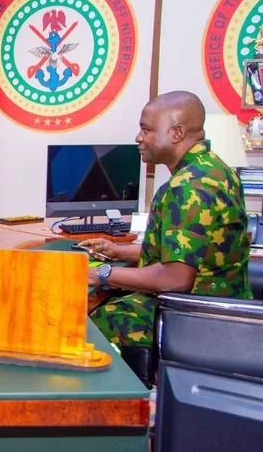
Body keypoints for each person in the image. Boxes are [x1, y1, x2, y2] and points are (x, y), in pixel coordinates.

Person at [80, 91, 252, 350]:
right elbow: (193, 250)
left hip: (191, 316)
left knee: (84, 326)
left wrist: (99, 273)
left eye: (146, 129)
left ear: (177, 133)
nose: (139, 137)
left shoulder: (187, 187)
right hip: (222, 307)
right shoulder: (216, 169)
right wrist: (122, 251)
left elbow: (175, 278)